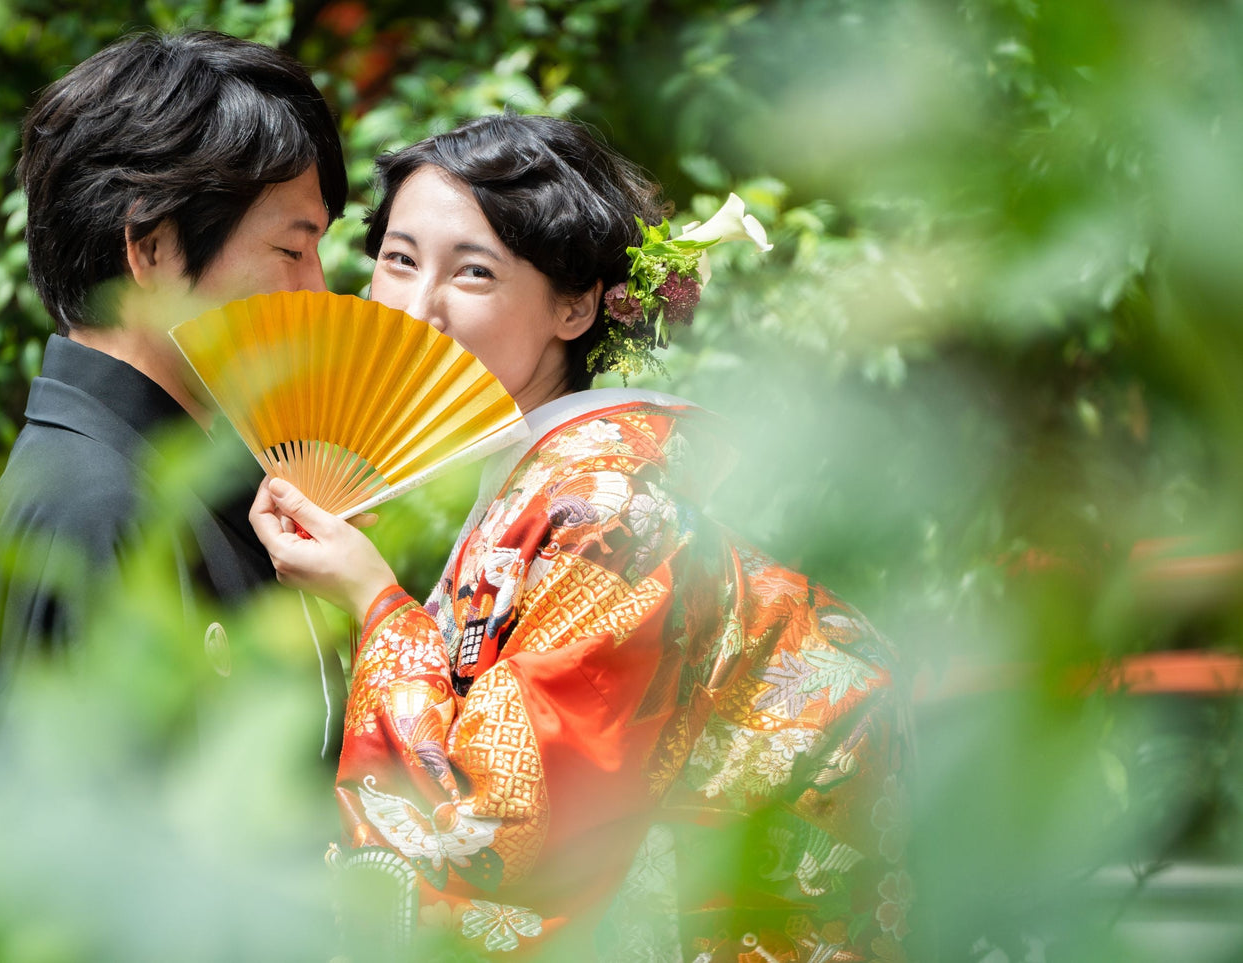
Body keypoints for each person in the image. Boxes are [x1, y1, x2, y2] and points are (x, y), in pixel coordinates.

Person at [249, 114, 909, 961]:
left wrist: (375, 601)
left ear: (576, 304)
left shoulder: (604, 506)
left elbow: (502, 822)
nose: (419, 311)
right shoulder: (561, 476)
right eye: (398, 259)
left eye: (474, 273)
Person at [0, 30, 349, 754]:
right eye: (291, 250)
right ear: (153, 248)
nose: (316, 289)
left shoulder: (164, 477)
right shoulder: (97, 505)